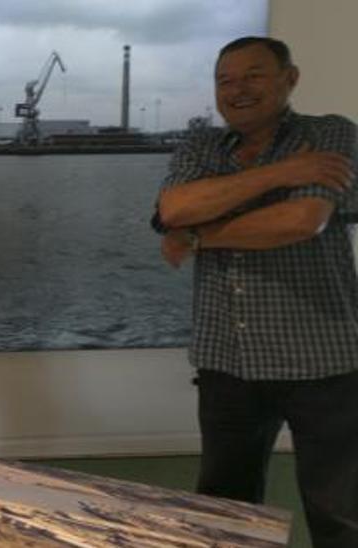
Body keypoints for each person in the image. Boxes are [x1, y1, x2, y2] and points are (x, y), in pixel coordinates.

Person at [154, 36, 358, 547]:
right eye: (225, 80)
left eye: (253, 75)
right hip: (228, 359)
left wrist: (201, 236)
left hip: (322, 360)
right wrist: (287, 172)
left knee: (339, 511)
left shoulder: (330, 133)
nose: (237, 89)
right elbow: (174, 209)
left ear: (290, 78)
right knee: (224, 505)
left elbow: (302, 219)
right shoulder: (202, 145)